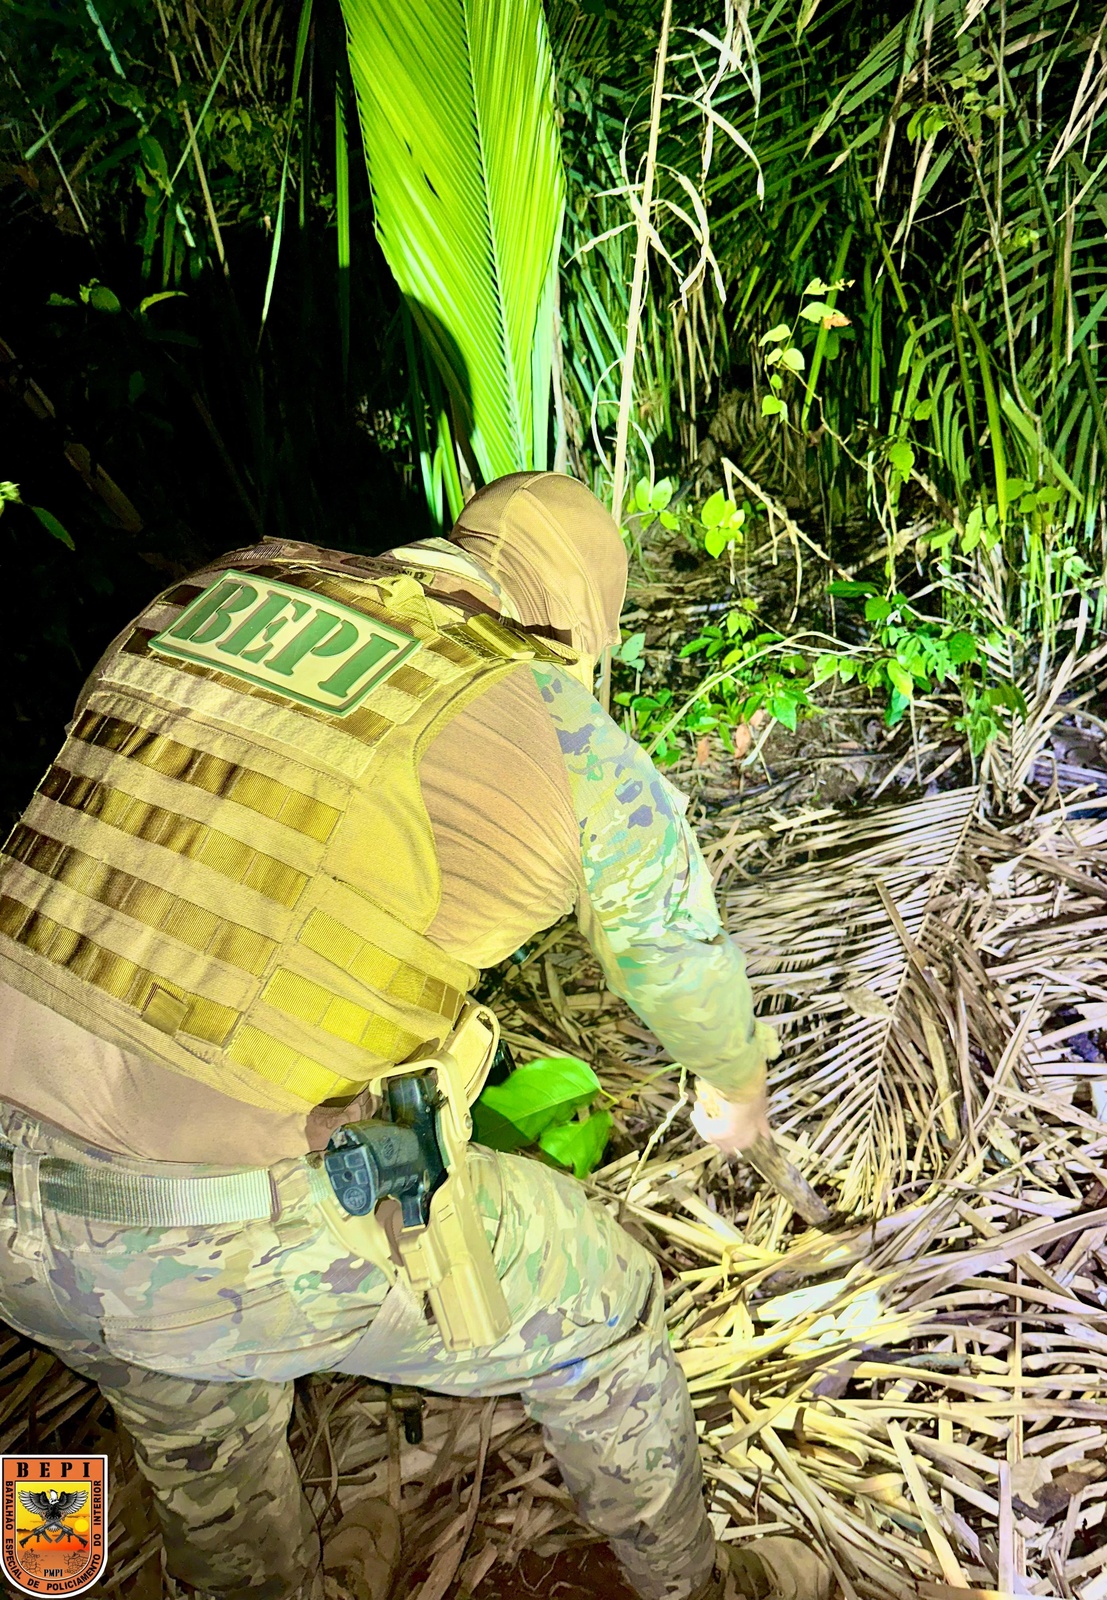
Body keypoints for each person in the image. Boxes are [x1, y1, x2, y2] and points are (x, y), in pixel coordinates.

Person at [0, 472, 831, 1600]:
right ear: (579, 621)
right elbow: (677, 958)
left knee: (194, 1410)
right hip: (203, 1225)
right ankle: (702, 1589)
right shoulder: (556, 723)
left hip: (11, 1200)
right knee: (608, 1306)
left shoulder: (217, 592)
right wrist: (736, 1086)